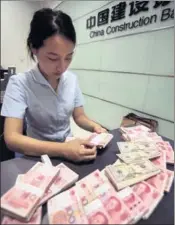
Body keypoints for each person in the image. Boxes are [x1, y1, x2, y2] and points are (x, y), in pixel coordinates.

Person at [1, 8, 107, 162]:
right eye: (53, 58)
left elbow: (79, 116)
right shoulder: (19, 83)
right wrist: (63, 150)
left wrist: (95, 127)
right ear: (34, 48)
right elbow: (12, 138)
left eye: (68, 57)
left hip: (70, 150)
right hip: (36, 154)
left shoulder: (71, 79)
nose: (62, 67)